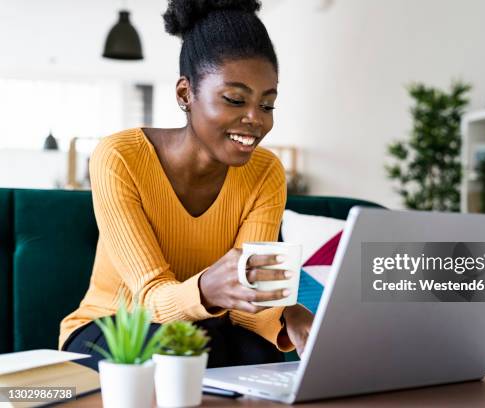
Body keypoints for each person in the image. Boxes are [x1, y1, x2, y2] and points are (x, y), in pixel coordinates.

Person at [60, 0, 313, 370]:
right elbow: (147, 298)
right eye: (235, 99)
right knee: (170, 352)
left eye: (268, 105)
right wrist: (207, 287)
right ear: (185, 94)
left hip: (207, 330)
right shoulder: (119, 157)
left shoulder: (266, 172)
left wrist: (285, 315)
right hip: (117, 327)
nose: (255, 119)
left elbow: (246, 304)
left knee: (260, 355)